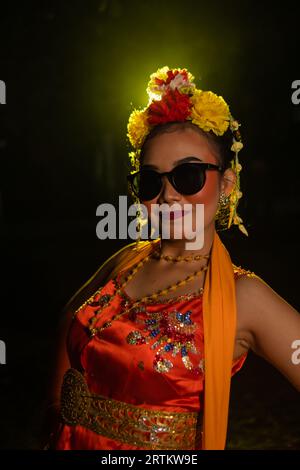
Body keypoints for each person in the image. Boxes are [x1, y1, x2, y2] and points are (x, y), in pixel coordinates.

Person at [45, 66, 300, 450]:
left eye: (188, 176)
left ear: (227, 183)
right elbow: (69, 320)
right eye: (151, 180)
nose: (168, 196)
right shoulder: (127, 260)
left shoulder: (244, 296)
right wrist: (56, 416)